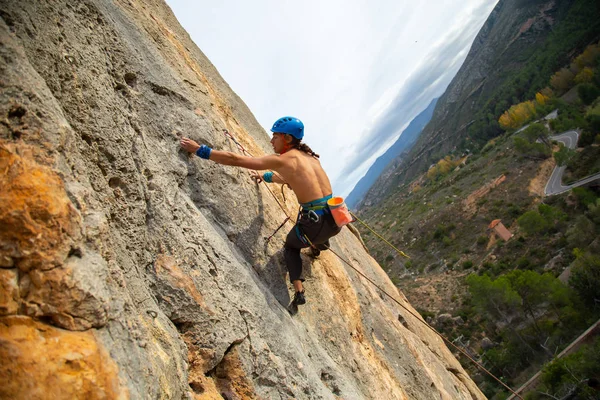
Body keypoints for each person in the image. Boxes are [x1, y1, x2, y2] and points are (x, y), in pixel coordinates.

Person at [180, 116, 341, 306]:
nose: (271, 140)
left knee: (291, 247)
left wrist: (200, 150)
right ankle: (319, 246)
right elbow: (291, 178)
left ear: (287, 139)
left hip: (314, 225)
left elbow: (235, 159)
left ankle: (299, 290)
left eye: (275, 136)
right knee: (319, 236)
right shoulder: (311, 159)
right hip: (335, 219)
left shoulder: (284, 160)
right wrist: (265, 177)